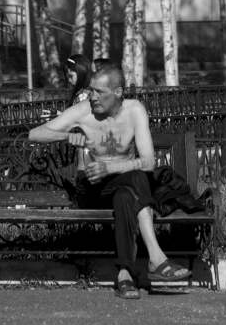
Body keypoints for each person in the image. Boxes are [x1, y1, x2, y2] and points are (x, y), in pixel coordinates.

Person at [28, 64, 191, 300]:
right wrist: (67, 135)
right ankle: (157, 259)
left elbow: (148, 162)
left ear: (118, 93)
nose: (92, 96)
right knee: (135, 180)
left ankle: (125, 274)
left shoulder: (134, 111)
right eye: (91, 90)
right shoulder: (83, 112)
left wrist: (109, 168)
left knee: (126, 193)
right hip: (92, 189)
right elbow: (35, 134)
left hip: (123, 188)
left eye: (99, 92)